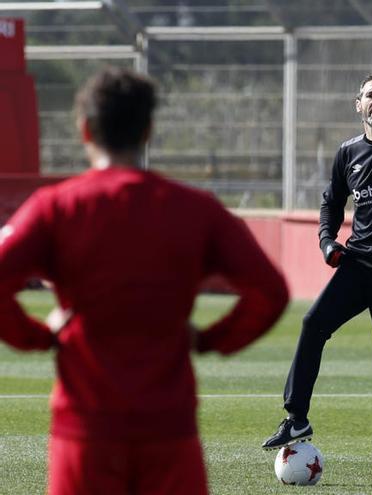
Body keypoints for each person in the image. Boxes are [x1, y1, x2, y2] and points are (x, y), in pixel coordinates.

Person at [0, 66, 290, 495]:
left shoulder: (55, 208)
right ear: (148, 130)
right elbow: (271, 292)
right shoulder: (196, 209)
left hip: (85, 430)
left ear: (84, 130)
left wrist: (39, 336)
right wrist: (210, 339)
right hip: (169, 430)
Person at [261, 71, 372, 486]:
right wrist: (328, 242)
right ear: (357, 104)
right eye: (370, 95)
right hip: (359, 266)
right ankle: (296, 418)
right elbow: (330, 204)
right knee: (312, 324)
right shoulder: (347, 153)